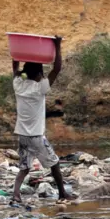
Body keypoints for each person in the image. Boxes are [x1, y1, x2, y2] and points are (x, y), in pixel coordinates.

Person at [11, 38, 72, 205]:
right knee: (55, 163)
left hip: (22, 135)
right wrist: (57, 45)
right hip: (36, 136)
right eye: (41, 73)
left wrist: (18, 50)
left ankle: (16, 194)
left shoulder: (18, 84)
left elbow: (15, 67)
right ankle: (62, 194)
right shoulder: (40, 88)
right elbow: (56, 69)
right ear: (39, 75)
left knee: (24, 167)